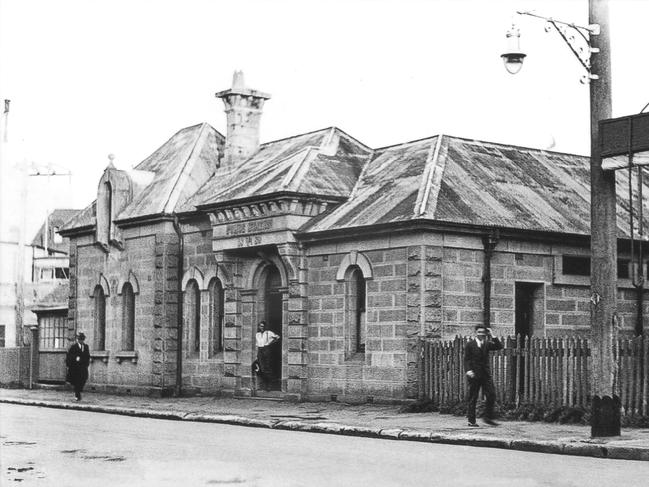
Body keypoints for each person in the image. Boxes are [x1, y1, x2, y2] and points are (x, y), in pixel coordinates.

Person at [464, 326, 502, 427]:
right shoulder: (470, 344)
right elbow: (466, 359)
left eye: (483, 332)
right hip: (474, 375)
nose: (481, 334)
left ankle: (488, 417)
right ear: (476, 333)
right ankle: (471, 421)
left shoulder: (487, 344)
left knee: (491, 394)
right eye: (479, 332)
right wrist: (468, 370)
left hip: (485, 375)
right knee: (473, 397)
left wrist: (492, 335)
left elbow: (499, 346)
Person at [255, 321, 280, 391]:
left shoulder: (269, 333)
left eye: (263, 326)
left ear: (265, 327)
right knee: (261, 368)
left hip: (266, 350)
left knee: (267, 367)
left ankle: (270, 384)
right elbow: (257, 344)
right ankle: (265, 383)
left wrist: (270, 343)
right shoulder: (257, 334)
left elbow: (277, 337)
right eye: (260, 326)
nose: (261, 328)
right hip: (260, 350)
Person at [66, 332, 90, 401]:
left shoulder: (86, 347)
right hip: (76, 368)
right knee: (77, 381)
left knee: (84, 379)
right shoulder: (74, 347)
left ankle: (79, 390)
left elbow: (87, 356)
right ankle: (77, 394)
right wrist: (75, 358)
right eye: (80, 339)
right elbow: (69, 356)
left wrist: (86, 363)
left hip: (83, 367)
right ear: (77, 340)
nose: (81, 341)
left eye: (82, 339)